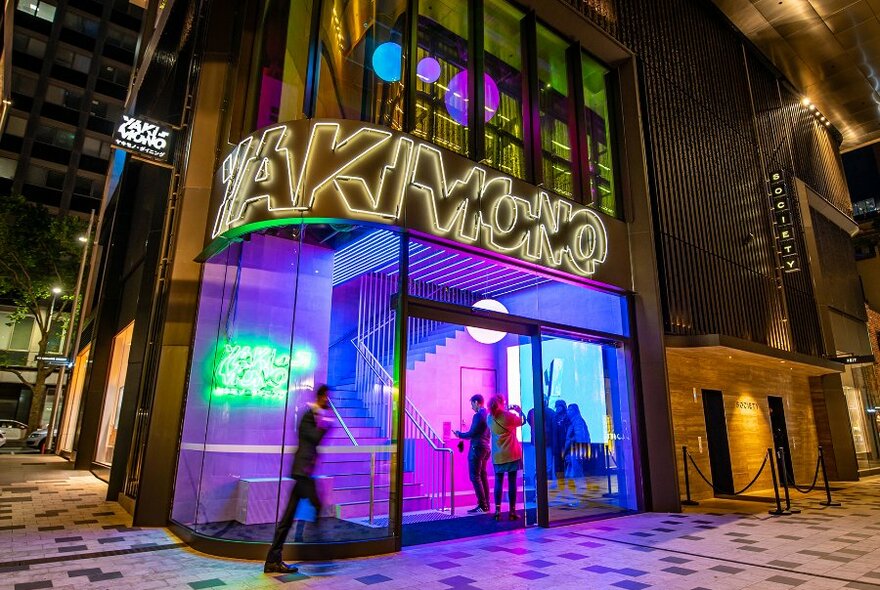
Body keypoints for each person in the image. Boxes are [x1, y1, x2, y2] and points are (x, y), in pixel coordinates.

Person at [264, 385, 333, 574]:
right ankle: (317, 543)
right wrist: (326, 427)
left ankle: (273, 560)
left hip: (304, 473)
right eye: (327, 397)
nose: (329, 400)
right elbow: (313, 438)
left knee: (288, 517)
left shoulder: (316, 416)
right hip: (302, 472)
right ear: (320, 396)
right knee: (317, 505)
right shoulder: (308, 415)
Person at [487, 394, 525, 521]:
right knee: (512, 482)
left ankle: (497, 511)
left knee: (498, 482)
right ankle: (512, 511)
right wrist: (519, 411)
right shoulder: (508, 416)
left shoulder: (489, 418)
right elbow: (522, 421)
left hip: (497, 454)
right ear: (502, 403)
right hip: (511, 453)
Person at [454, 394, 491, 513]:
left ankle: (482, 505)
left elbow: (471, 433)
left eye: (472, 404)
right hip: (486, 448)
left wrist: (459, 434)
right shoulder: (488, 414)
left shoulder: (478, 415)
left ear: (476, 402)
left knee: (475, 477)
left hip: (477, 448)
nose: (471, 407)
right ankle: (486, 505)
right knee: (483, 476)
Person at [563, 403, 591, 501]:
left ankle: (579, 497)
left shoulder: (577, 421)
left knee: (576, 474)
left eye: (570, 410)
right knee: (572, 474)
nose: (568, 412)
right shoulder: (574, 421)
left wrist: (579, 451)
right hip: (574, 451)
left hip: (576, 451)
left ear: (574, 411)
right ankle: (577, 496)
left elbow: (580, 437)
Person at [551, 399, 570, 489]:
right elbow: (553, 432)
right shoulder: (554, 417)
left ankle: (568, 483)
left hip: (566, 445)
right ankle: (560, 483)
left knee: (567, 464)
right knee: (558, 466)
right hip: (557, 446)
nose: (558, 408)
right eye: (557, 406)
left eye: (559, 406)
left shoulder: (568, 417)